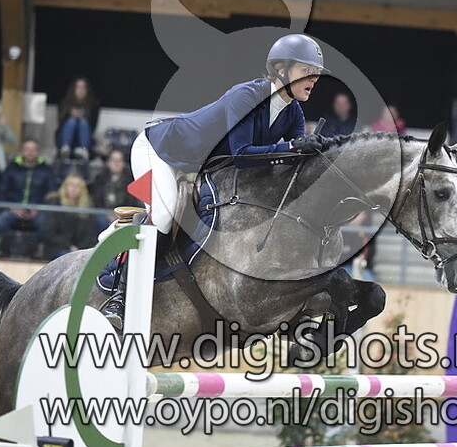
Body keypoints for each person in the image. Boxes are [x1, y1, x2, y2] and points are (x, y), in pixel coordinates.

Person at [99, 34, 328, 327]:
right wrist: (292, 148)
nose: (314, 78)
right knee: (165, 215)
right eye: (306, 71)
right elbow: (241, 155)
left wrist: (320, 153)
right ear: (281, 70)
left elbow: (294, 161)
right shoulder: (247, 96)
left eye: (316, 73)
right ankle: (118, 294)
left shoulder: (293, 112)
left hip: (197, 168)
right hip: (161, 151)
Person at [0, 139, 57, 241]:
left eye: (33, 150)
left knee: (46, 226)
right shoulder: (11, 169)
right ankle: (2, 247)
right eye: (27, 149)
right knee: (0, 223)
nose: (30, 152)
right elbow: (1, 191)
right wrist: (12, 207)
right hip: (13, 209)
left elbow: (52, 194)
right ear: (22, 151)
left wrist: (39, 209)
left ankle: (39, 249)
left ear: (37, 152)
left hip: (38, 211)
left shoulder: (46, 170)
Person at [42, 174, 96, 260]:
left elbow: (90, 235)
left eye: (78, 186)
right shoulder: (55, 204)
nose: (74, 188)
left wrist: (79, 248)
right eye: (71, 185)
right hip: (58, 248)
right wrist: (69, 246)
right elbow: (50, 234)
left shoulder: (87, 208)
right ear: (65, 187)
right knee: (68, 257)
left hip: (80, 250)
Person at [90, 148, 138, 232]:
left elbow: (131, 202)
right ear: (108, 162)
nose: (116, 164)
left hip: (123, 215)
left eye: (119, 161)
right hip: (103, 213)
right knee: (100, 221)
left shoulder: (130, 180)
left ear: (123, 163)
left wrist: (118, 215)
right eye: (113, 160)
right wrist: (107, 214)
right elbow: (97, 200)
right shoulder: (100, 178)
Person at [57, 76, 100, 160]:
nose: (81, 90)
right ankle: (65, 148)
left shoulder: (94, 105)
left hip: (84, 139)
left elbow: (93, 127)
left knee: (83, 122)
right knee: (71, 121)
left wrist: (84, 117)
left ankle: (84, 150)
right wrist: (69, 114)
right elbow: (60, 124)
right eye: (78, 87)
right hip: (65, 138)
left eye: (83, 88)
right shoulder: (64, 103)